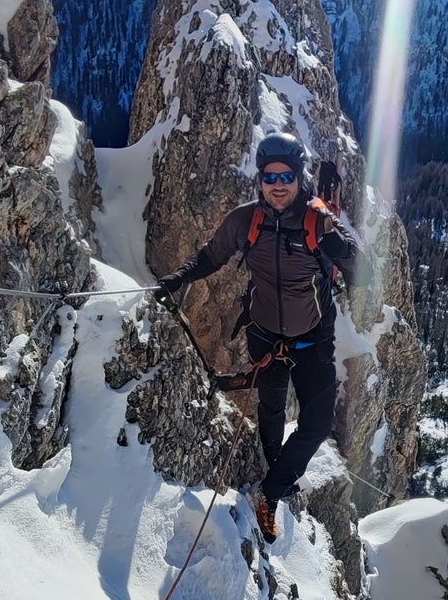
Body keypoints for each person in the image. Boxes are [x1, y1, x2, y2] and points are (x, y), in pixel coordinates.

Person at [154, 131, 360, 542]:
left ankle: (271, 492)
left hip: (313, 339)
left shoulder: (318, 221)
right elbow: (211, 256)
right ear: (260, 179)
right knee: (271, 412)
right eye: (270, 177)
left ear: (299, 178)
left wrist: (345, 246)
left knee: (317, 424)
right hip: (265, 335)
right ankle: (276, 471)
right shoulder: (247, 220)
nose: (278, 186)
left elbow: (359, 270)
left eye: (286, 177)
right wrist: (179, 278)